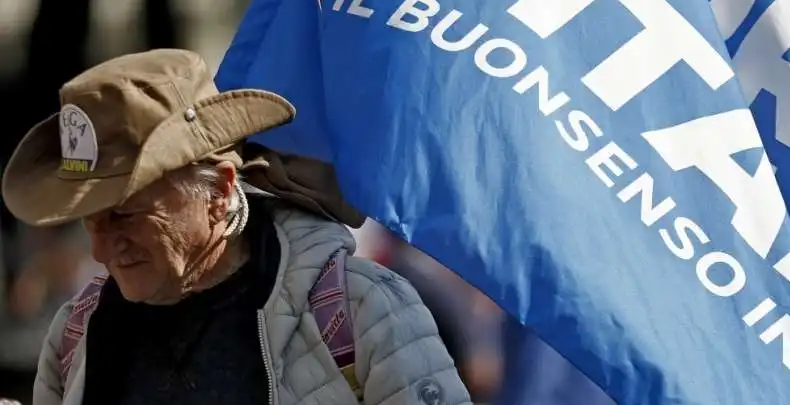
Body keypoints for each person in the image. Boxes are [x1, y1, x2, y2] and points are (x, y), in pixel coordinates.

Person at [1, 48, 471, 405]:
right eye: (91, 220)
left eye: (126, 214)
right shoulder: (77, 333)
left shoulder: (359, 310)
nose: (101, 251)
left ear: (220, 192)